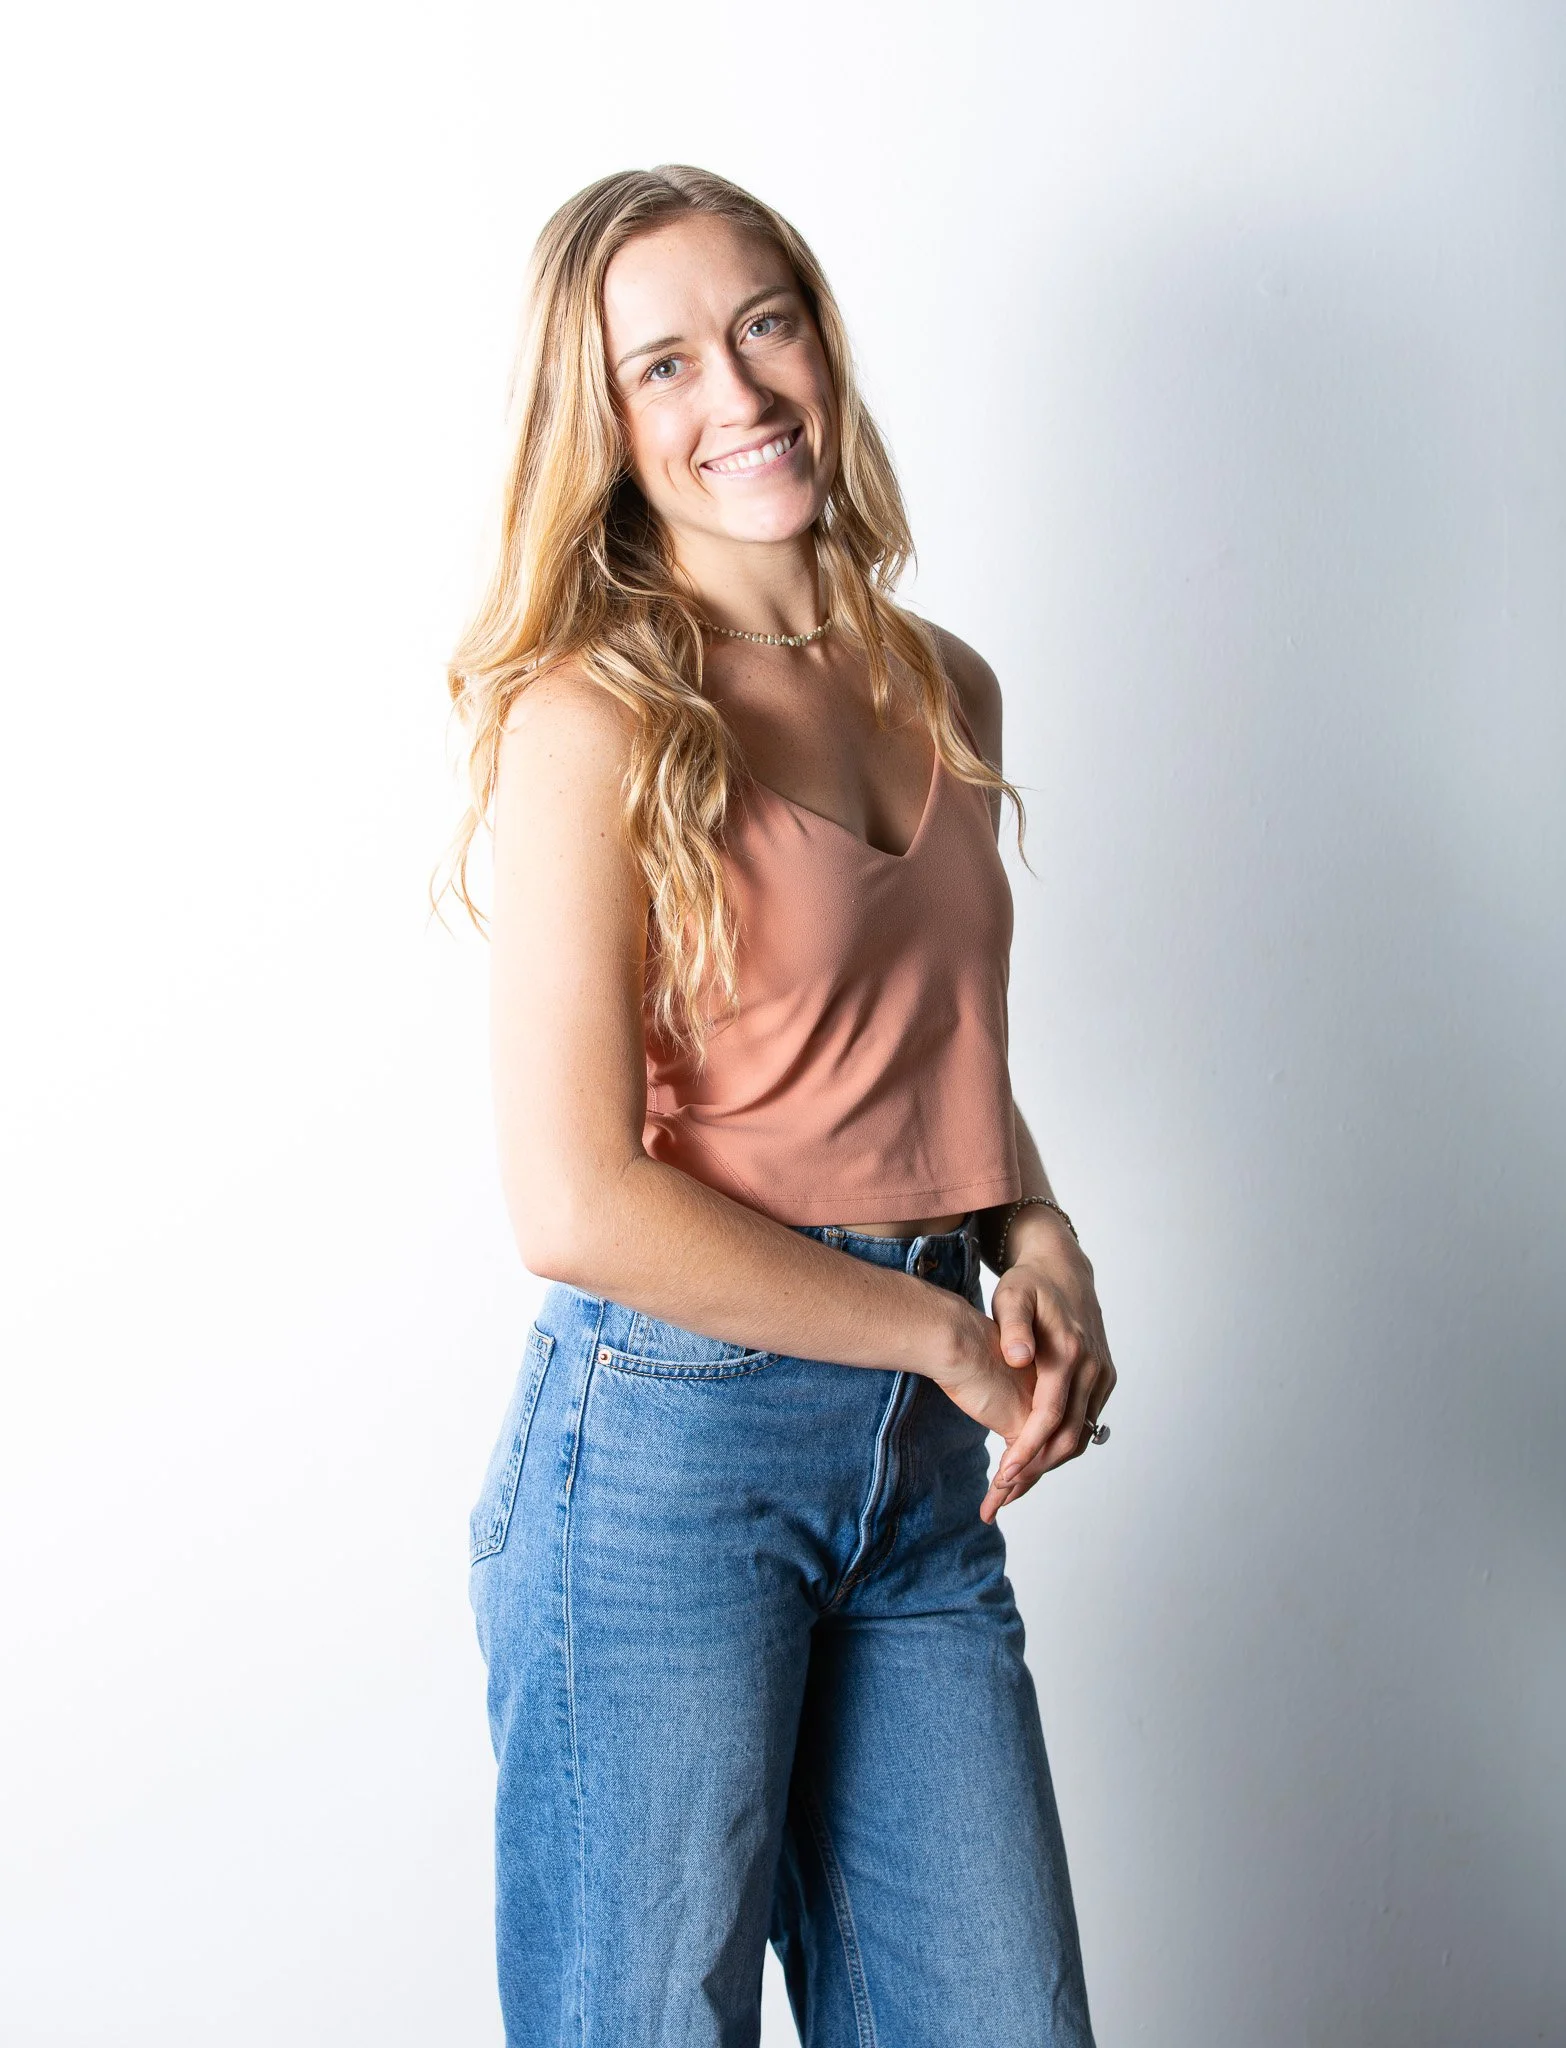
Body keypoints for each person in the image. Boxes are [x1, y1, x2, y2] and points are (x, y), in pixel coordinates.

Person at [437, 163, 1116, 2048]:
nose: (733, 394)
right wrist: (942, 1337)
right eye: (660, 366)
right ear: (609, 429)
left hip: (912, 1465)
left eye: (762, 322)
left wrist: (1030, 1233)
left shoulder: (943, 685)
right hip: (666, 1450)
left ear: (819, 337)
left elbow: (916, 1059)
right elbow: (572, 1199)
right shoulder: (598, 720)